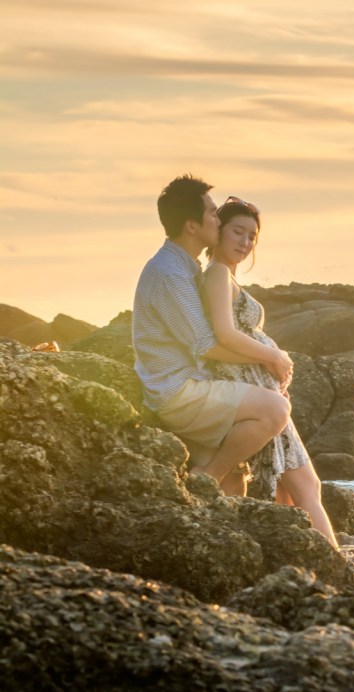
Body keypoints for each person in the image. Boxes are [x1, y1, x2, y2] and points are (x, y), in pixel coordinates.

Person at [132, 174, 293, 497]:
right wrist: (272, 357)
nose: (218, 219)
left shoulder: (185, 266)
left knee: (237, 479)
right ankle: (204, 480)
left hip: (194, 383)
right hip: (178, 390)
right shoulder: (169, 273)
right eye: (212, 213)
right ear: (192, 225)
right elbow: (208, 344)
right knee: (274, 410)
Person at [205, 195, 338, 548]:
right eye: (238, 232)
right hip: (249, 391)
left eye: (252, 237)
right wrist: (273, 358)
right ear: (217, 230)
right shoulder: (217, 274)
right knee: (305, 486)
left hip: (260, 391)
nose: (245, 243)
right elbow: (223, 334)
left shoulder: (226, 277)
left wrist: (271, 366)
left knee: (291, 489)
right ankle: (339, 573)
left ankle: (305, 566)